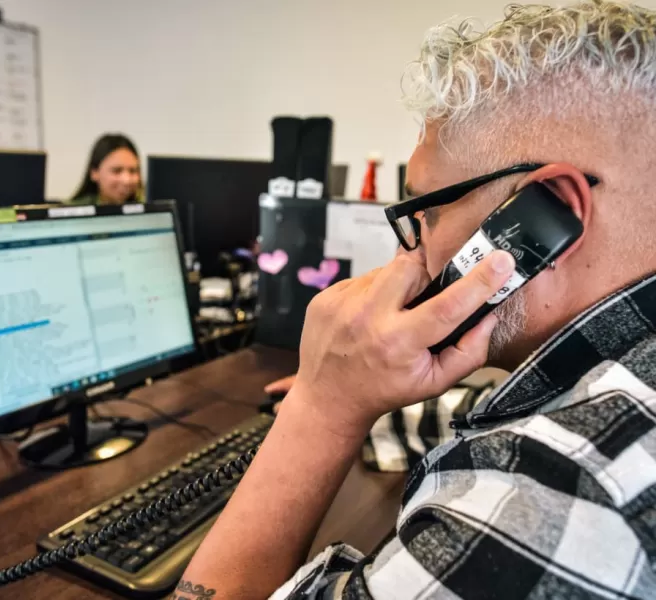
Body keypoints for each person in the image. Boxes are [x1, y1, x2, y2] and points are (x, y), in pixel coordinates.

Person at [175, 2, 656, 598]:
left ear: (547, 217)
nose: (410, 252)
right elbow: (499, 410)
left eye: (425, 212)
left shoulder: (557, 495)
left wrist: (322, 410)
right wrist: (361, 386)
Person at [70, 133, 143, 205]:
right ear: (94, 172)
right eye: (117, 171)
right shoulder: (72, 210)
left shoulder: (146, 207)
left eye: (133, 171)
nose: (126, 180)